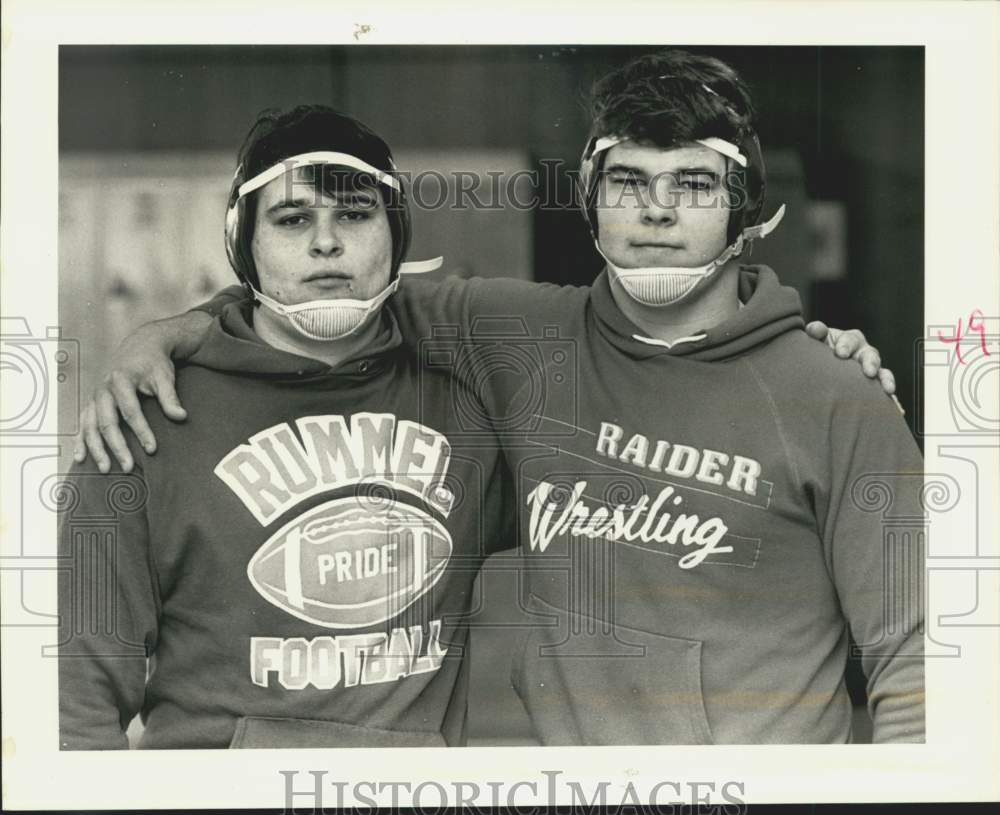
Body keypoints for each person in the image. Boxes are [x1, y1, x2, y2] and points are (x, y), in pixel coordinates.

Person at [74, 51, 921, 744]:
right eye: (629, 182)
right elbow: (318, 299)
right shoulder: (515, 334)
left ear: (745, 209)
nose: (657, 211)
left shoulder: (836, 392)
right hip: (564, 795)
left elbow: (919, 661)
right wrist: (169, 332)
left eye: (694, 186)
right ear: (590, 201)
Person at [58, 106, 512, 749]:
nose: (326, 242)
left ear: (396, 236)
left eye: (354, 215)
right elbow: (76, 707)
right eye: (293, 218)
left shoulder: (473, 412)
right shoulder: (139, 422)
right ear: (245, 243)